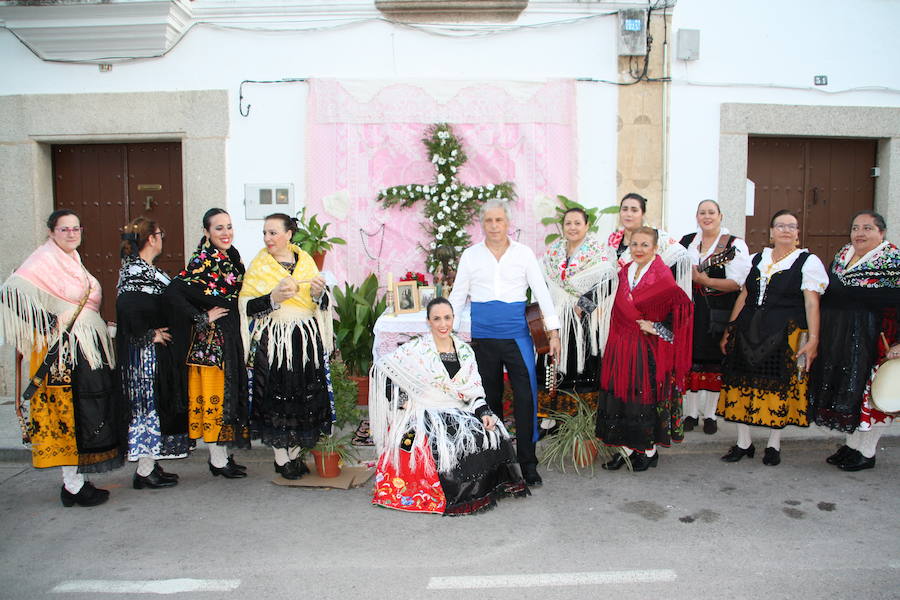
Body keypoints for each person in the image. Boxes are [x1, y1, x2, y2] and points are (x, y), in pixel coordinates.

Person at [0, 209, 124, 507]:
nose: (71, 234)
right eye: (64, 229)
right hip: (64, 354)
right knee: (69, 415)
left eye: (76, 228)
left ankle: (76, 481)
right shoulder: (43, 260)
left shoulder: (72, 261)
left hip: (84, 348)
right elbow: (10, 293)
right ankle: (72, 485)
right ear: (51, 232)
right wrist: (47, 325)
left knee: (85, 413)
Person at [369, 297, 528, 515]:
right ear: (428, 322)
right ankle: (452, 494)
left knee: (491, 431)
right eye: (437, 319)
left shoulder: (465, 351)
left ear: (454, 319)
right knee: (446, 442)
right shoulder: (416, 349)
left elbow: (473, 390)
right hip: (425, 410)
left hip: (458, 408)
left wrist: (484, 412)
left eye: (447, 318)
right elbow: (383, 369)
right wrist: (401, 401)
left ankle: (482, 490)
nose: (443, 324)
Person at [448, 199, 561, 487]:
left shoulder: (524, 254)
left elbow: (541, 292)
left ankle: (528, 463)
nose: (494, 226)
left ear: (508, 223)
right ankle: (496, 463)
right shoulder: (471, 256)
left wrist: (554, 331)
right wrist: (446, 330)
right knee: (488, 401)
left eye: (499, 220)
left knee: (525, 399)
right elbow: (458, 295)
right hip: (483, 339)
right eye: (489, 221)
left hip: (517, 338)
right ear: (482, 224)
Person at [717, 209, 828, 466]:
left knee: (778, 387)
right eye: (781, 225)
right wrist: (729, 329)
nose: (786, 230)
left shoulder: (807, 262)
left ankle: (773, 444)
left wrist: (813, 339)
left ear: (798, 233)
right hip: (747, 331)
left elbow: (812, 303)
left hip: (784, 334)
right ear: (771, 231)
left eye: (792, 226)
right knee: (743, 384)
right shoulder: (757, 259)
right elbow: (744, 296)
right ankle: (743, 443)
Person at [238, 213, 333, 480]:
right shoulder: (259, 265)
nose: (268, 238)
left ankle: (294, 453)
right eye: (265, 233)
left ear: (289, 234)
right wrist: (273, 298)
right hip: (275, 338)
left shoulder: (306, 261)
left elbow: (321, 303)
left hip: (303, 338)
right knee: (276, 394)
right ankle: (281, 458)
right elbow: (246, 305)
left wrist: (317, 294)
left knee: (301, 394)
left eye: (273, 232)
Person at [595, 227, 693, 471]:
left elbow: (682, 312)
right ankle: (625, 449)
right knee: (622, 398)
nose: (638, 249)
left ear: (655, 248)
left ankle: (648, 451)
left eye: (644, 245)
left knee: (642, 399)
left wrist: (656, 328)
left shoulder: (662, 277)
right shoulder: (625, 271)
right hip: (621, 345)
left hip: (646, 349)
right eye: (634, 244)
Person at [809, 210, 899, 471]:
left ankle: (867, 451)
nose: (860, 233)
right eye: (856, 228)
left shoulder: (893, 261)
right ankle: (851, 445)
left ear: (881, 233)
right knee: (848, 391)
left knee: (870, 395)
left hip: (874, 337)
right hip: (840, 338)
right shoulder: (842, 256)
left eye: (867, 228)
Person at [164, 208, 250, 477]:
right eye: (219, 228)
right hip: (212, 344)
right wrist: (201, 317)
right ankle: (217, 460)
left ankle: (222, 456)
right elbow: (174, 291)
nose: (226, 233)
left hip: (230, 336)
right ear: (206, 232)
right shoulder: (203, 260)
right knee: (217, 400)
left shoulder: (230, 258)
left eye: (229, 226)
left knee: (229, 398)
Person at [117, 217, 191, 489]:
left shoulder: (144, 268)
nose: (162, 238)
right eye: (161, 233)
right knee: (147, 407)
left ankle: (150, 465)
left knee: (154, 406)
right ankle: (144, 472)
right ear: (151, 238)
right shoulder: (136, 270)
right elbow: (127, 308)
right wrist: (150, 334)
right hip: (144, 355)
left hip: (152, 354)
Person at [679, 200, 751, 435]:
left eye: (711, 212)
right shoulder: (687, 241)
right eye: (702, 212)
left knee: (713, 360)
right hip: (690, 309)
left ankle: (709, 414)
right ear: (696, 216)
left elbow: (738, 283)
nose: (707, 216)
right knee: (690, 359)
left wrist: (706, 281)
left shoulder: (733, 245)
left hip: (719, 310)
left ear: (721, 216)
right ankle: (689, 413)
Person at [539, 207, 617, 415]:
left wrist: (585, 305)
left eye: (577, 223)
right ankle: (554, 416)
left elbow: (609, 281)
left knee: (581, 366)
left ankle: (582, 418)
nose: (572, 228)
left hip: (583, 321)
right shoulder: (553, 252)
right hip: (556, 318)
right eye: (568, 223)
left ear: (587, 226)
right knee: (553, 363)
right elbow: (542, 284)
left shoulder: (597, 252)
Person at [607, 192, 691, 296]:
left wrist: (656, 287)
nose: (628, 214)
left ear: (642, 214)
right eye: (625, 209)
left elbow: (682, 258)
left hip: (648, 303)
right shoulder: (613, 240)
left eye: (634, 210)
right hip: (618, 303)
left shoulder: (656, 236)